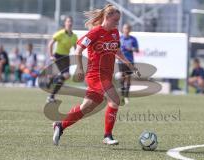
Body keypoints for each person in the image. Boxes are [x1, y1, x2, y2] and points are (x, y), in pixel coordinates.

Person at [52, 4, 140, 146]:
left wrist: (128, 63)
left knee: (86, 107)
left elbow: (117, 50)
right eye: (115, 20)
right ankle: (107, 135)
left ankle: (60, 125)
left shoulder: (115, 33)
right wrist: (80, 68)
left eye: (119, 20)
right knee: (115, 99)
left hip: (107, 75)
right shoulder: (94, 32)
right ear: (107, 17)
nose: (117, 23)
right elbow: (78, 50)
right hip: (95, 74)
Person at [47, 16, 78, 102]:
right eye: (68, 21)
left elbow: (76, 49)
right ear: (65, 23)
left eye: (71, 21)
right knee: (66, 75)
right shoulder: (60, 33)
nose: (69, 23)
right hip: (58, 56)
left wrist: (77, 56)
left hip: (66, 57)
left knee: (63, 78)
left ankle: (51, 93)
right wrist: (51, 55)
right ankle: (51, 94)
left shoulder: (74, 36)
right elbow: (50, 44)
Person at [118, 23, 139, 104]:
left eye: (128, 29)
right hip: (121, 61)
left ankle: (126, 96)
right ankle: (122, 96)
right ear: (123, 29)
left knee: (128, 79)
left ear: (130, 30)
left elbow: (137, 50)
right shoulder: (120, 39)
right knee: (122, 78)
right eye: (125, 28)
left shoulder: (133, 39)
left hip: (130, 61)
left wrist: (131, 49)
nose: (126, 30)